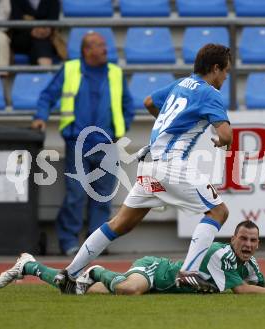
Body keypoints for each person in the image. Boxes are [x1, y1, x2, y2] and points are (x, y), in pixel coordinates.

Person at [52, 43, 233, 294]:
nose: (226, 77)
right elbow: (225, 134)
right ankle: (189, 272)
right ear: (215, 68)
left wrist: (168, 121)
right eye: (225, 71)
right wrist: (221, 141)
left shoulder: (180, 84)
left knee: (120, 224)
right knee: (218, 212)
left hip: (149, 166)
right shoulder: (210, 93)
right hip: (172, 165)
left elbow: (149, 101)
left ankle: (69, 273)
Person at [31, 32, 135, 256]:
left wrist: (120, 129)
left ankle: (94, 245)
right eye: (99, 45)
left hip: (107, 144)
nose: (105, 49)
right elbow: (47, 96)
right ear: (86, 50)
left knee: (102, 197)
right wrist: (40, 117)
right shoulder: (70, 69)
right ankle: (68, 242)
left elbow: (128, 105)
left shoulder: (115, 73)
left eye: (105, 45)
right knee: (76, 195)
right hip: (77, 143)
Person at [0, 220, 265, 295]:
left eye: (253, 240)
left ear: (258, 244)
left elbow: (261, 283)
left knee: (71, 288)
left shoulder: (249, 262)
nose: (248, 244)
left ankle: (28, 265)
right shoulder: (217, 253)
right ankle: (97, 270)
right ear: (233, 238)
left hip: (161, 288)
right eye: (243, 238)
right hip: (155, 271)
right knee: (129, 290)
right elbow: (242, 290)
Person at [10, 0, 65, 66]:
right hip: (21, 39)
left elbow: (53, 20)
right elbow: (16, 20)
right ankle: (46, 73)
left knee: (41, 42)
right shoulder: (14, 1)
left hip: (45, 37)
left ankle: (44, 72)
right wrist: (31, 31)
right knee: (42, 43)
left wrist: (46, 30)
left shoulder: (53, 1)